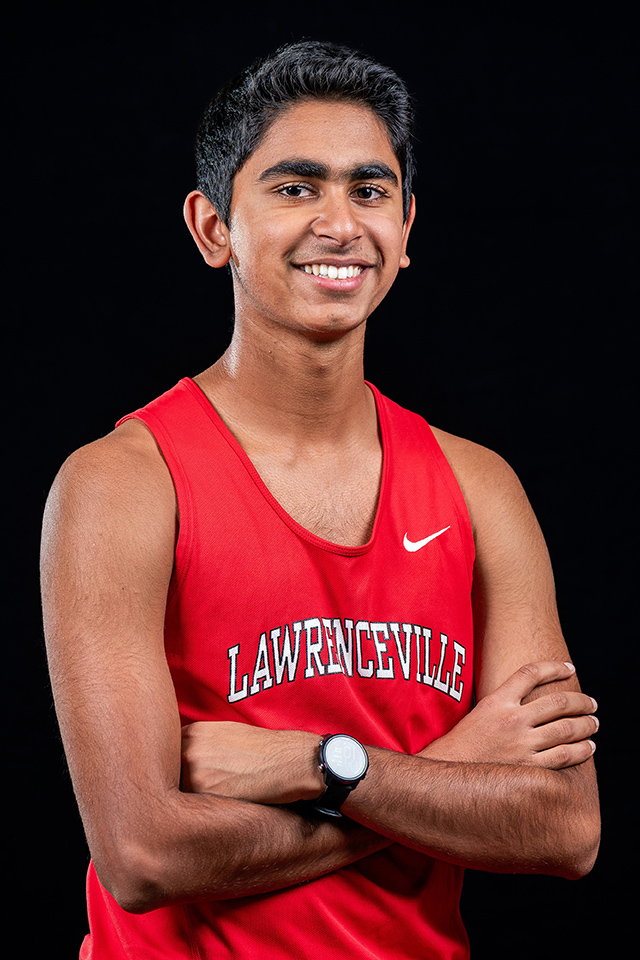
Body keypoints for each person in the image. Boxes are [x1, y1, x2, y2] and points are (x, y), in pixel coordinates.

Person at [41, 40, 600, 960]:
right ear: (213, 227)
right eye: (295, 188)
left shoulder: (477, 485)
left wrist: (318, 768)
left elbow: (566, 829)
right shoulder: (123, 483)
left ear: (408, 226)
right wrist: (449, 773)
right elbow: (142, 854)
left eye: (369, 191)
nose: (339, 224)